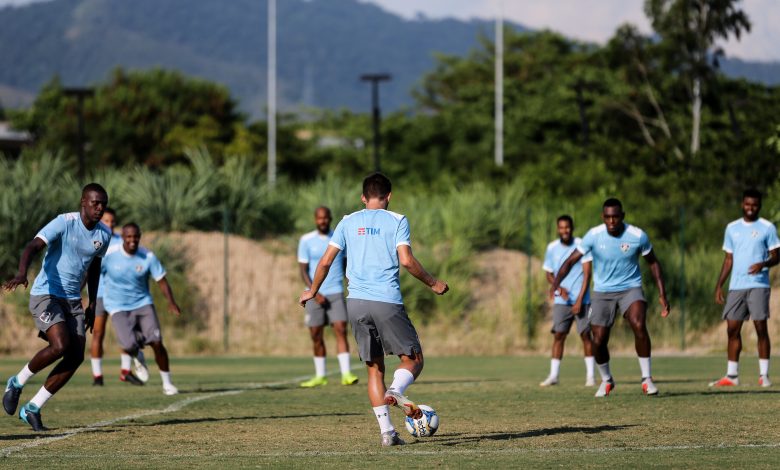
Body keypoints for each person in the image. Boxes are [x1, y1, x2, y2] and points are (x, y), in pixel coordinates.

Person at [299, 173, 448, 447]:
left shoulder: (347, 221)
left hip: (355, 302)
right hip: (386, 301)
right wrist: (433, 282)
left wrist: (312, 290)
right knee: (413, 359)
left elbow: (325, 261)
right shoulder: (397, 220)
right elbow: (406, 261)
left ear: (363, 197)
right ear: (389, 196)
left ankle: (388, 434)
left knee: (373, 369)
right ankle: (397, 390)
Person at [2, 183, 112, 431]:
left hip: (73, 300)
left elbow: (95, 267)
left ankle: (33, 408)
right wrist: (21, 273)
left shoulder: (104, 235)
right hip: (46, 294)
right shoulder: (64, 222)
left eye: (103, 204)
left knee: (76, 356)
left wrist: (93, 302)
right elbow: (33, 246)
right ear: (83, 202)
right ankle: (17, 382)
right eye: (95, 203)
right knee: (60, 345)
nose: (99, 208)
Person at [551, 198, 670, 397]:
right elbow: (570, 261)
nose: (612, 221)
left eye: (615, 217)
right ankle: (606, 379)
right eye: (608, 217)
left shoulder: (637, 236)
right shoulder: (593, 236)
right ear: (603, 217)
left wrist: (662, 294)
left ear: (622, 216)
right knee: (598, 340)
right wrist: (555, 284)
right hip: (602, 293)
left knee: (638, 324)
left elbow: (653, 263)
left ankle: (647, 379)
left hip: (630, 288)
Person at [101, 223, 181, 395]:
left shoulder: (148, 256)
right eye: (128, 237)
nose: (132, 240)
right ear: (122, 237)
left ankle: (167, 383)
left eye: (135, 237)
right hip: (117, 306)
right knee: (128, 345)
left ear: (140, 236)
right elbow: (91, 272)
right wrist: (86, 296)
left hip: (142, 303)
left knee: (157, 342)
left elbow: (161, 280)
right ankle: (138, 354)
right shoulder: (109, 255)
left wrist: (171, 302)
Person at [711, 189, 779, 388]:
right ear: (742, 204)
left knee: (760, 328)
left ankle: (764, 375)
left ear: (759, 205)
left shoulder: (767, 227)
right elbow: (728, 259)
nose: (751, 208)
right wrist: (719, 285)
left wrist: (763, 264)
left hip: (758, 284)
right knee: (732, 329)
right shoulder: (732, 228)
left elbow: (777, 255)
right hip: (736, 286)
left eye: (755, 205)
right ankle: (732, 376)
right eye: (748, 204)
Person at [297, 206, 359, 387]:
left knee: (340, 329)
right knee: (316, 334)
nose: (322, 221)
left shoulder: (339, 237)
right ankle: (320, 376)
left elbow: (347, 265)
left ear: (330, 218)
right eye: (319, 218)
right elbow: (303, 270)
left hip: (336, 292)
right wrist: (314, 293)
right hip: (314, 295)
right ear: (315, 219)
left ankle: (346, 374)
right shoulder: (306, 240)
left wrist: (352, 286)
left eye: (325, 218)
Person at [540, 215, 595, 387]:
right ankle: (554, 376)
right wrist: (558, 287)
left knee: (586, 335)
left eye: (568, 227)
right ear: (558, 229)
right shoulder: (552, 247)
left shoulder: (582, 244)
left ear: (572, 227)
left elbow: (587, 273)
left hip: (582, 300)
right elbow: (549, 273)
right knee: (558, 335)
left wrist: (580, 299)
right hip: (561, 301)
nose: (565, 230)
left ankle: (590, 377)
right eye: (562, 227)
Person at [89, 208, 122, 386]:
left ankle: (126, 370)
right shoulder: (96, 240)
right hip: (100, 294)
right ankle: (97, 376)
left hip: (118, 295)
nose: (110, 224)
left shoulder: (121, 241)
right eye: (106, 221)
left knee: (125, 333)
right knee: (98, 334)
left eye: (112, 221)